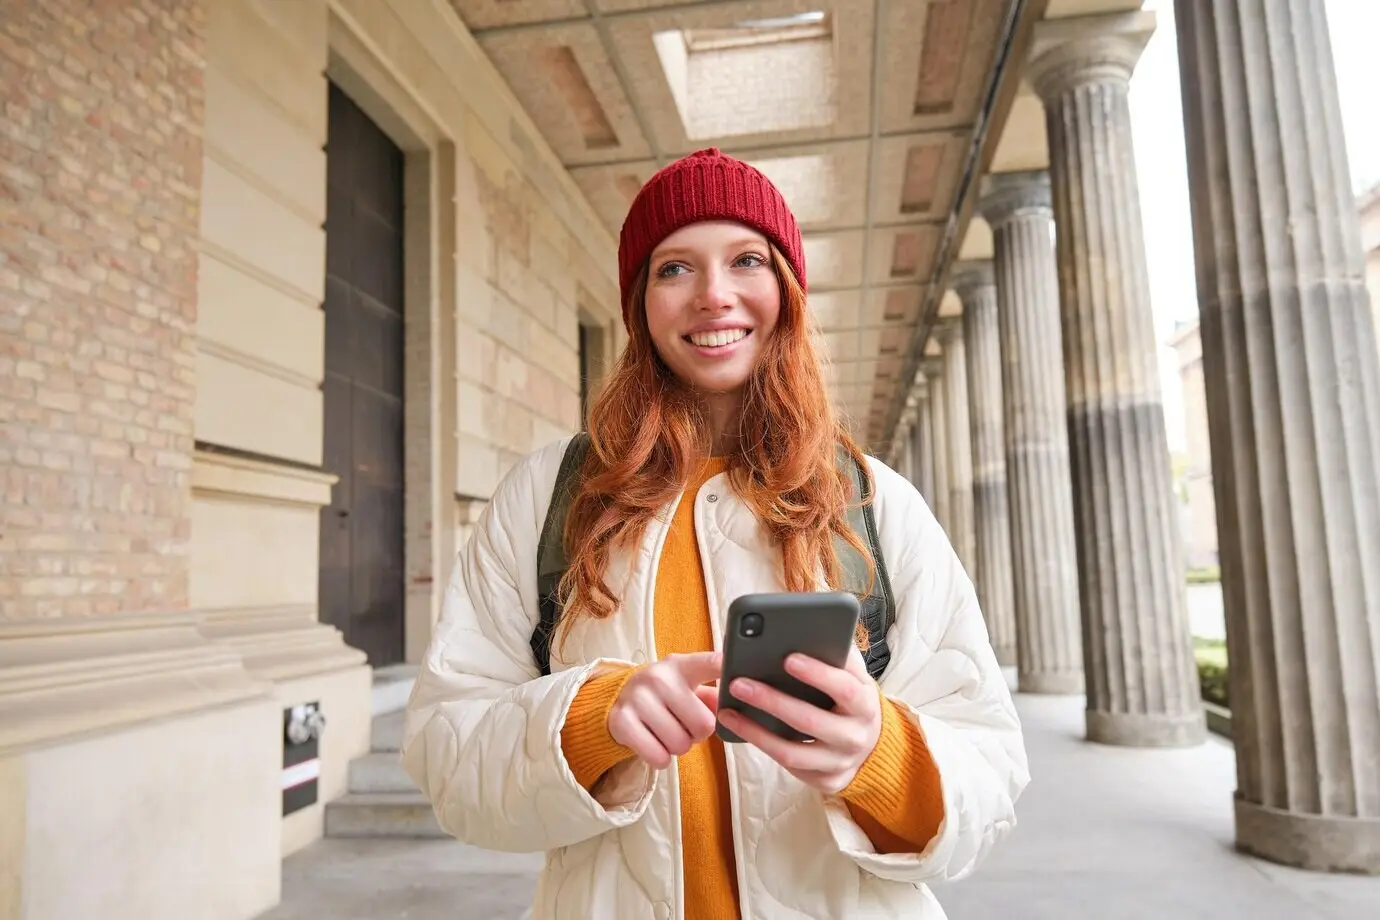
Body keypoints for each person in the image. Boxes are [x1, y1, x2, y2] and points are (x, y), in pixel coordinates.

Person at [401, 148, 1028, 920]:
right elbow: (447, 752)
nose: (713, 296)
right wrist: (593, 722)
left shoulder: (874, 501)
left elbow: (991, 774)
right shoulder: (546, 497)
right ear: (639, 303)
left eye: (746, 260)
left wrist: (881, 757)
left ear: (787, 288)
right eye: (675, 269)